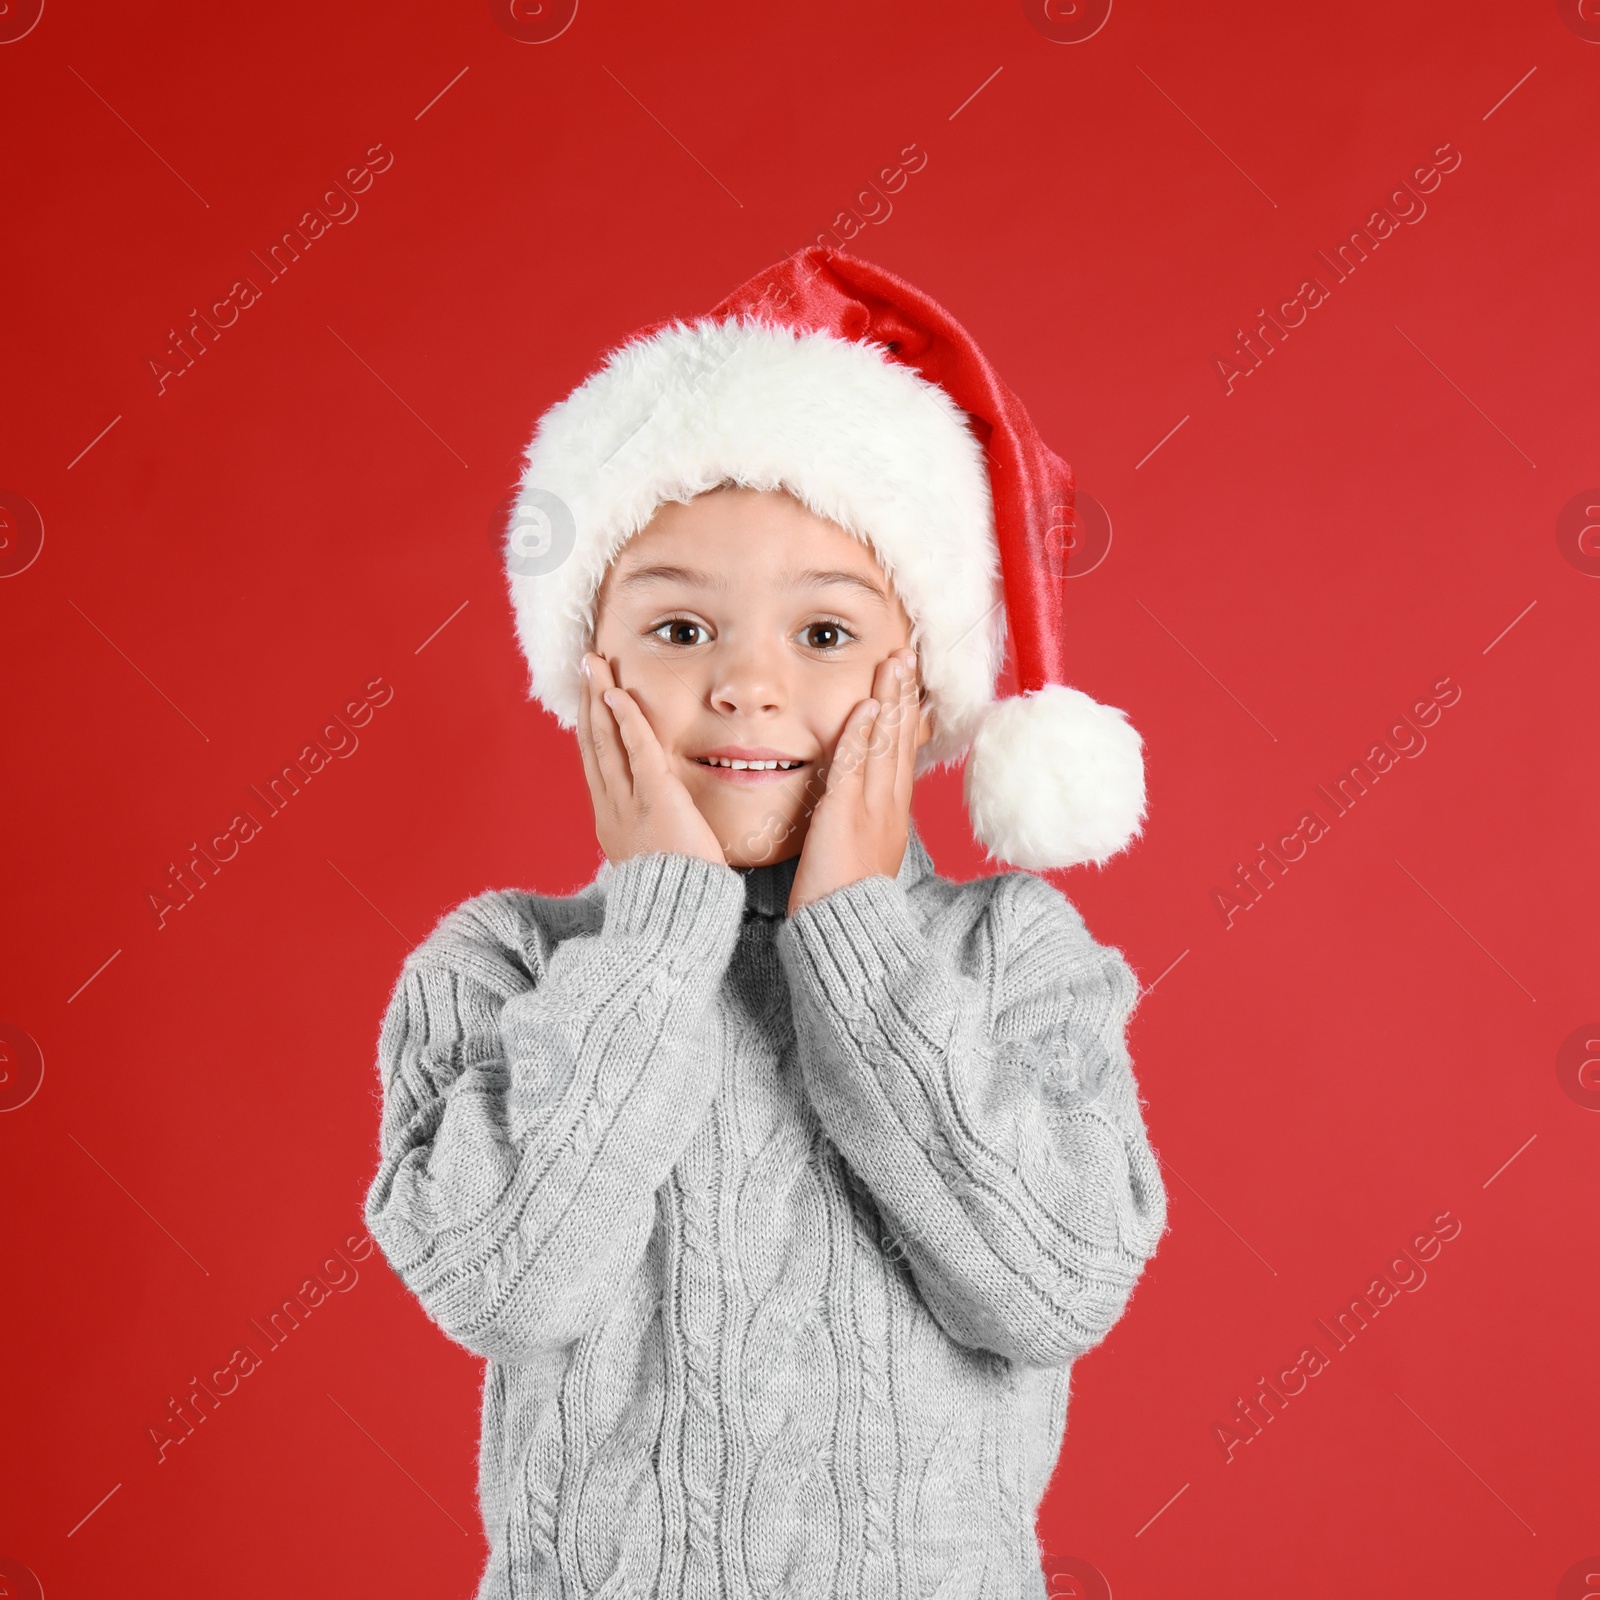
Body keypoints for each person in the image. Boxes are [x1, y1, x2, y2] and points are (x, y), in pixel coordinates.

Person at [363, 246, 1169, 1599]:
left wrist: (856, 929)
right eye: (680, 629)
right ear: (588, 664)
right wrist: (663, 937)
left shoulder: (1016, 959)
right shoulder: (503, 966)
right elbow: (504, 1281)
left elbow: (1051, 1287)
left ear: (925, 689)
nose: (744, 685)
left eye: (825, 635)